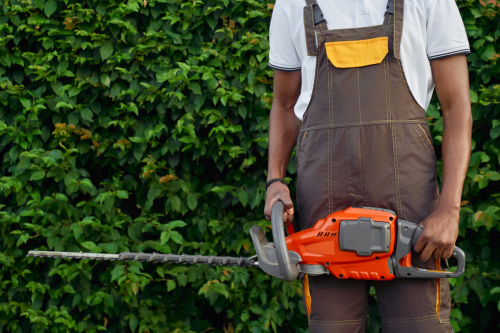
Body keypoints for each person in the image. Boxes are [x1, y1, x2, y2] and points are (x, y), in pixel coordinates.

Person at [263, 0, 472, 332]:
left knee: (420, 327)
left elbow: (456, 105)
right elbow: (284, 103)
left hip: (413, 212)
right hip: (323, 212)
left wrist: (450, 207)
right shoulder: (291, 4)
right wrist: (275, 179)